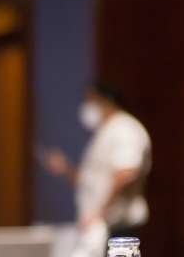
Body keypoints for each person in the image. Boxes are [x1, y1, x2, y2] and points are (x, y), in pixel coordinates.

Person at [42, 81, 152, 238]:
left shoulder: (125, 128)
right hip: (98, 226)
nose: (86, 106)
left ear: (105, 100)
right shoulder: (104, 132)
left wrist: (100, 213)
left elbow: (126, 173)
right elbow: (92, 180)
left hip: (117, 226)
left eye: (90, 100)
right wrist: (66, 168)